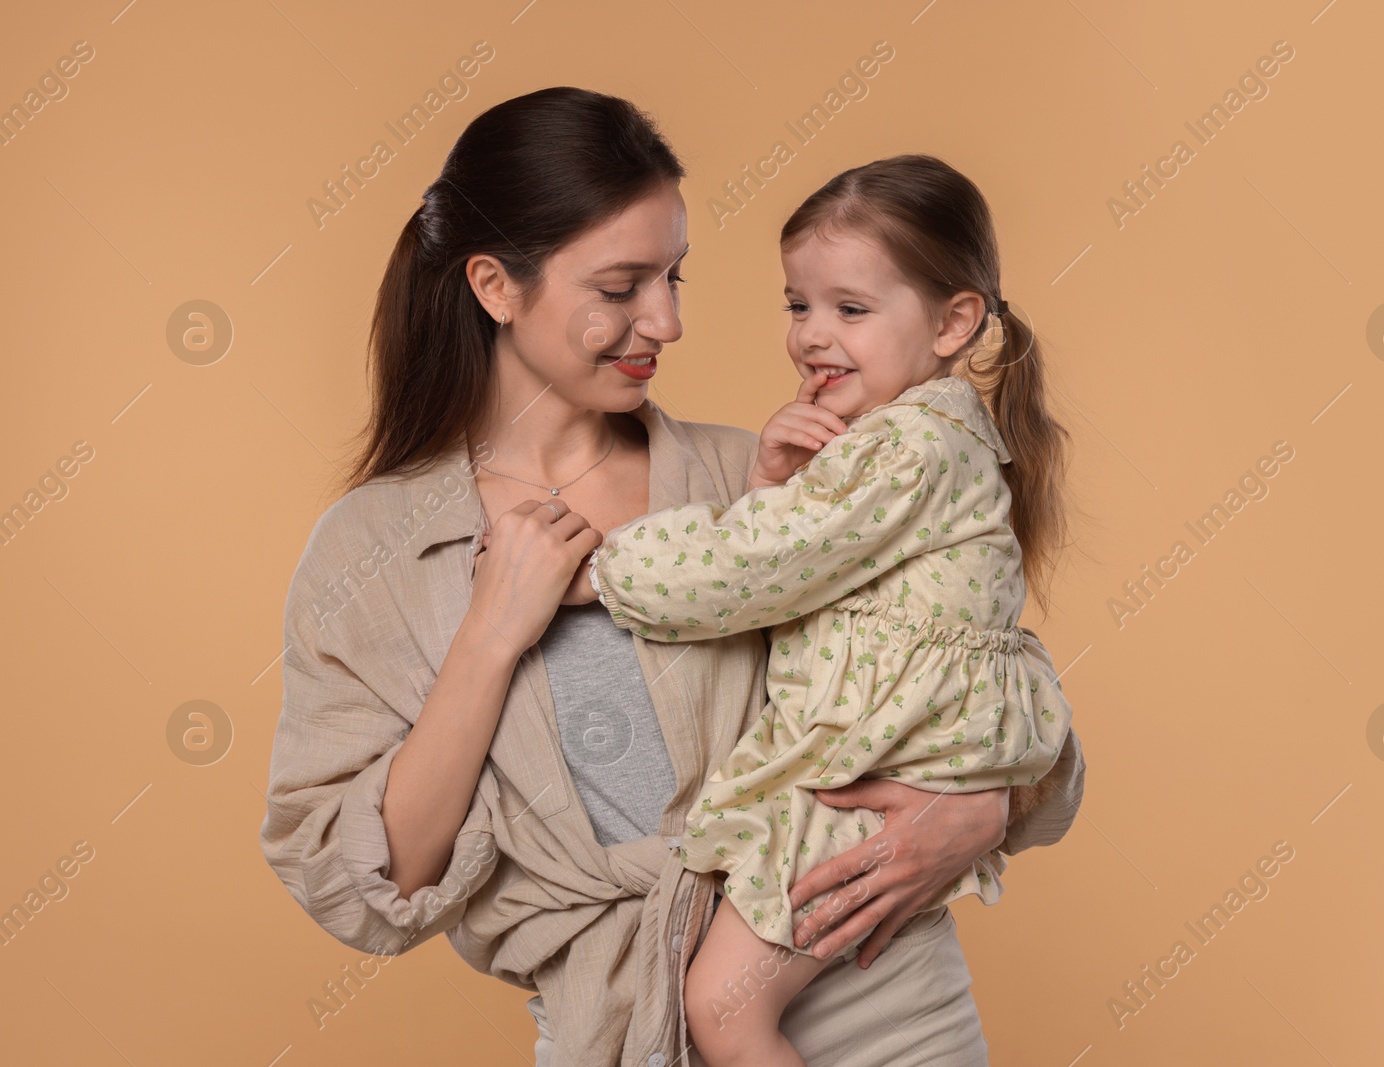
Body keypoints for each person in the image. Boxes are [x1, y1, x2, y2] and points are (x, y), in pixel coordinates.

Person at [259, 87, 1087, 1067]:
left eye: (674, 277)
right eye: (621, 286)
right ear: (494, 285)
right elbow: (363, 884)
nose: (667, 319)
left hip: (885, 1005)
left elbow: (967, 667)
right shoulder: (371, 554)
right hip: (622, 1028)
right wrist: (490, 634)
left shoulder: (759, 478)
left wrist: (980, 811)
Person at [577, 155, 1076, 1066]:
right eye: (798, 305)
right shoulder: (927, 438)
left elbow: (741, 573)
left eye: (851, 309)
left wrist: (603, 567)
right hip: (900, 763)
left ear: (954, 321)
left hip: (865, 777)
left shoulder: (909, 446)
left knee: (723, 1011)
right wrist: (773, 482)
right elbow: (792, 591)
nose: (813, 336)